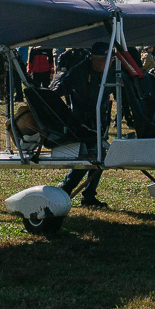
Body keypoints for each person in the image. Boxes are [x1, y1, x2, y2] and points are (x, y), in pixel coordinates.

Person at [58, 43, 114, 207]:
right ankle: (66, 189)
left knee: (99, 157)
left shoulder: (110, 70)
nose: (108, 64)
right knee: (88, 158)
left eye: (110, 60)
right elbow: (61, 87)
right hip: (82, 122)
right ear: (94, 59)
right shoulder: (79, 71)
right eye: (105, 60)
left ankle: (88, 195)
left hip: (100, 119)